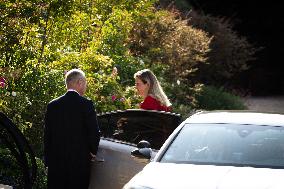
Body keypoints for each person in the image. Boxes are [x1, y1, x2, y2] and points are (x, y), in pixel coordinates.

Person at [44, 69, 100, 189]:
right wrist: (92, 152)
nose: (86, 86)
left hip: (56, 164)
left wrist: (48, 162)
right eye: (85, 83)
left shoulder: (53, 105)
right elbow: (94, 132)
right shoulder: (86, 104)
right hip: (79, 163)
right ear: (79, 82)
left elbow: (47, 135)